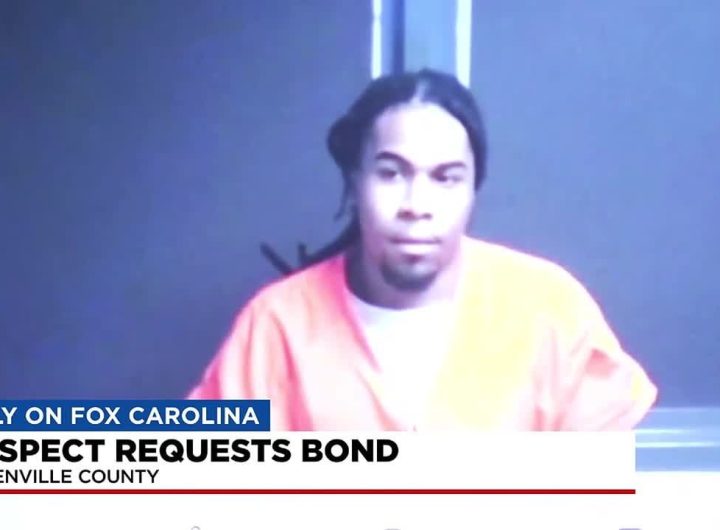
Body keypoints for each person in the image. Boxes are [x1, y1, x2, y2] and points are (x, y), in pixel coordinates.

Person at [189, 69, 657, 430]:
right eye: (391, 173)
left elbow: (607, 487)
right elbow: (203, 482)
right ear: (355, 183)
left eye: (445, 178)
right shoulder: (277, 323)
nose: (417, 205)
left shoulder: (550, 307)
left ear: (473, 190)